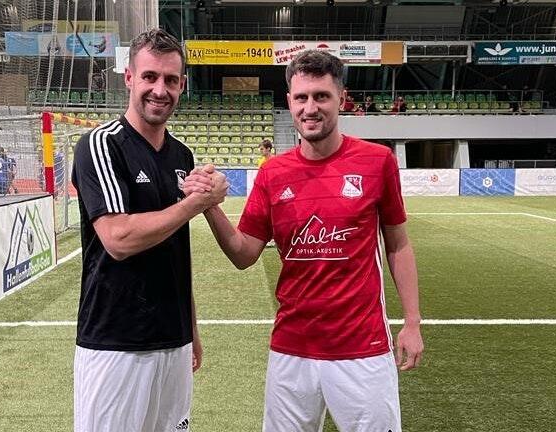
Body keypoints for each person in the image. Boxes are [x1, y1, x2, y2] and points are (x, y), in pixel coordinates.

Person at [186, 49, 423, 432]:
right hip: (292, 349)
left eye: (321, 96)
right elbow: (244, 253)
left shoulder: (377, 162)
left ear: (341, 99)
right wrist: (210, 206)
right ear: (290, 103)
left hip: (362, 348)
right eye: (301, 98)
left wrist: (412, 323)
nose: (310, 108)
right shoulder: (273, 174)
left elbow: (398, 244)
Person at [70, 28, 228, 432]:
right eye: (150, 77)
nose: (160, 90)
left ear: (183, 86)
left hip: (172, 342)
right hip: (115, 341)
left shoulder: (181, 155)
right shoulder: (101, 145)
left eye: (171, 80)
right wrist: (196, 203)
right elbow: (118, 239)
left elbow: (176, 247)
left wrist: (189, 328)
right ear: (129, 77)